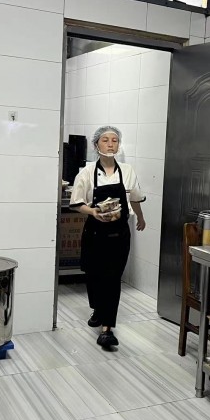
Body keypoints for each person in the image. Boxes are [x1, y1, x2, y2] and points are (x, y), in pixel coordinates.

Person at [70, 126, 146, 349]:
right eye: (105, 140)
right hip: (95, 233)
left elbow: (135, 198)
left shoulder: (127, 171)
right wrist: (93, 212)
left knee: (112, 279)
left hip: (119, 235)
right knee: (94, 275)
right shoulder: (86, 173)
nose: (111, 144)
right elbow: (77, 203)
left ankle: (107, 329)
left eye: (115, 140)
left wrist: (141, 218)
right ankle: (97, 309)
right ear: (96, 145)